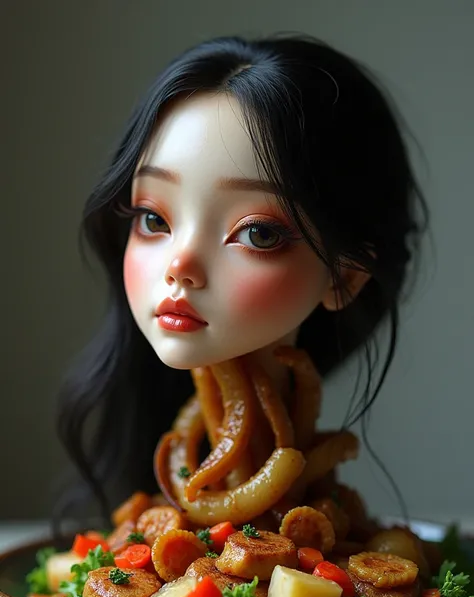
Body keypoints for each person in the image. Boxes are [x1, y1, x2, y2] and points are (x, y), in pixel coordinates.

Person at [55, 34, 428, 527]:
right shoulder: (132, 537)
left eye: (257, 232)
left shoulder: (347, 541)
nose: (180, 264)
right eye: (152, 219)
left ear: (345, 275)